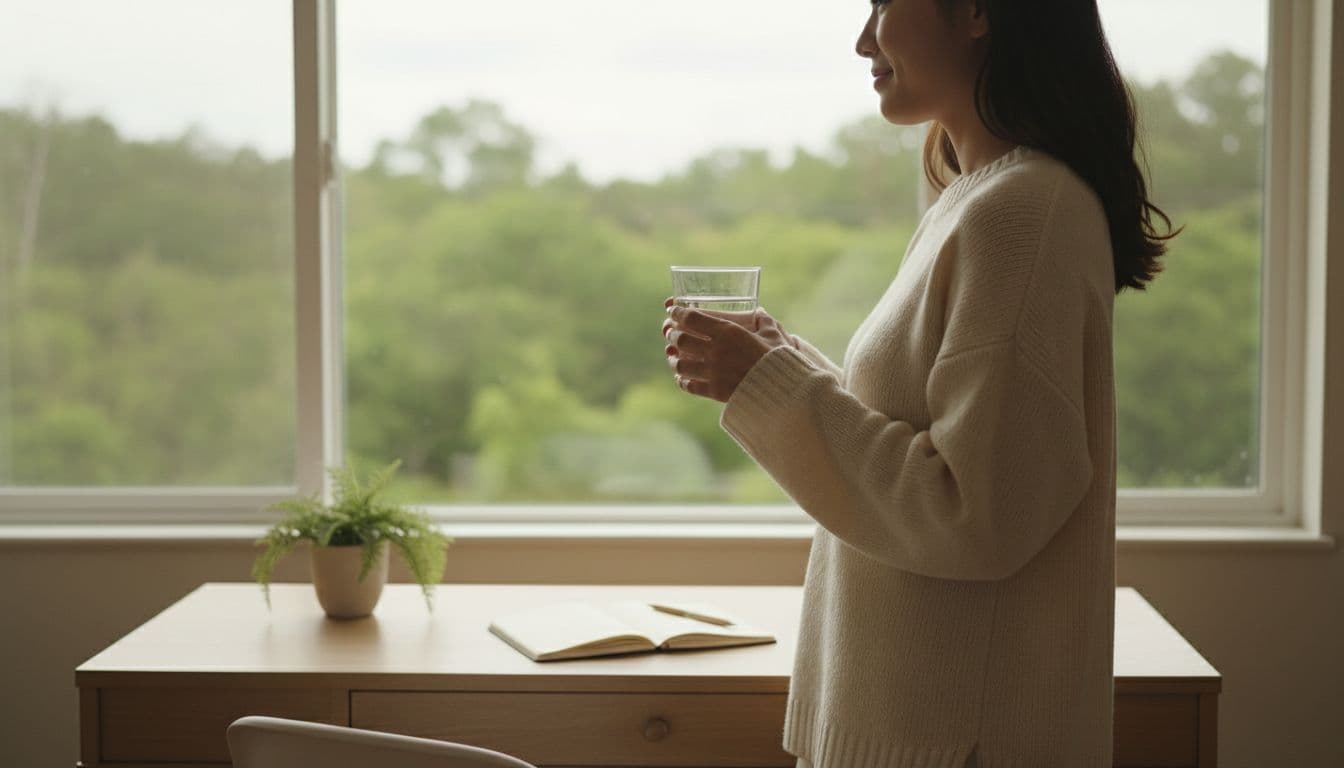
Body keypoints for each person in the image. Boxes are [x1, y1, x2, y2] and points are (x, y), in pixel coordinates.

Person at [661, 1, 1179, 766]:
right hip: (915, 734)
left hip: (952, 744)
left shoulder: (1022, 212)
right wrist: (779, 366)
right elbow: (925, 438)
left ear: (975, 11)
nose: (864, 38)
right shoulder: (975, 202)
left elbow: (976, 514)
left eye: (883, 5)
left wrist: (771, 385)